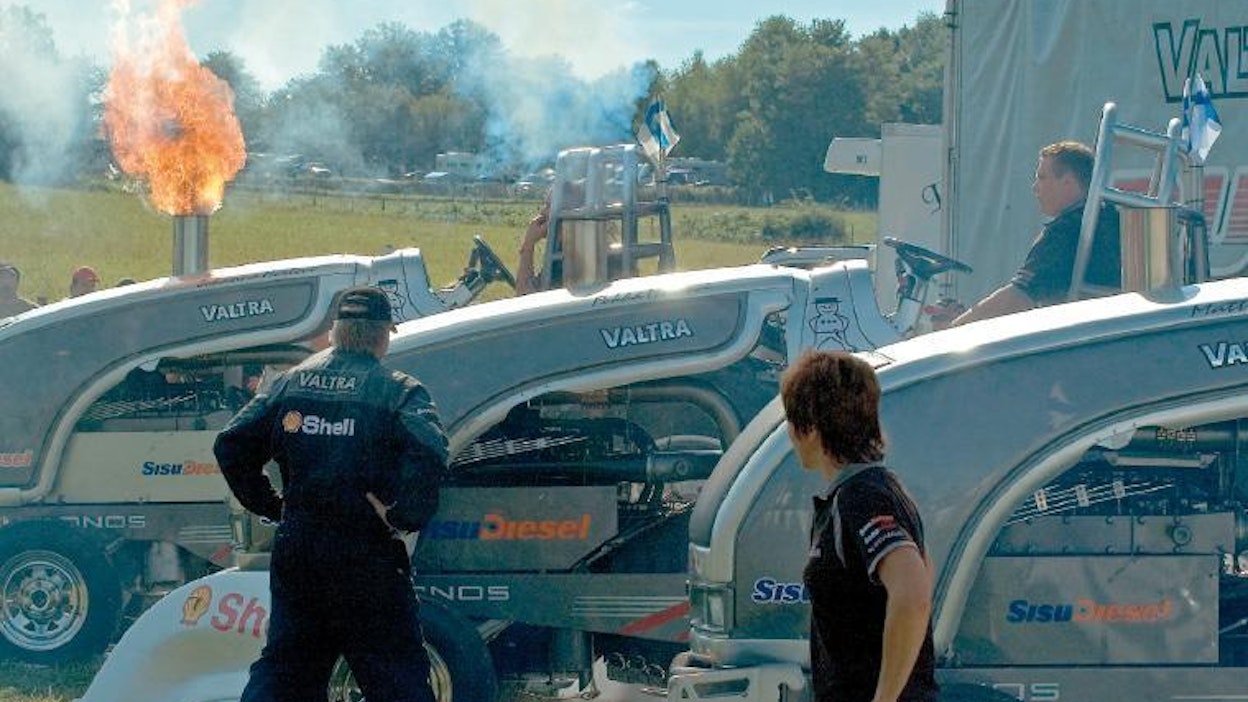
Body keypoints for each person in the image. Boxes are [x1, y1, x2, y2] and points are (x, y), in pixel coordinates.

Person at [213, 286, 449, 702]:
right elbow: (430, 450)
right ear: (383, 335)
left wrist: (273, 505)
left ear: (335, 332)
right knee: (394, 673)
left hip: (300, 547)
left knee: (286, 670)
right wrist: (403, 516)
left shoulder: (289, 383)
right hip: (365, 550)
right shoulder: (399, 390)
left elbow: (231, 444)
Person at [780, 350, 937, 702]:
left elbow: (914, 595)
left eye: (790, 420)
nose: (789, 433)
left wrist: (884, 698)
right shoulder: (882, 489)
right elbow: (925, 571)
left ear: (811, 427)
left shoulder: (861, 498)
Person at [951, 140, 1121, 326]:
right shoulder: (1112, 220)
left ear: (1068, 181)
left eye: (1042, 177)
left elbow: (1017, 298)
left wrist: (956, 329)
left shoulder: (1067, 230)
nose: (1035, 187)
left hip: (1080, 334)